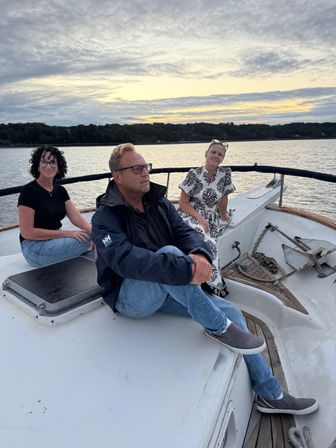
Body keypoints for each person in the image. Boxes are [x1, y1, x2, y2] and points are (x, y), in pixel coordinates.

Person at [92, 143, 318, 415]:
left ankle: (271, 394)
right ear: (118, 176)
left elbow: (184, 232)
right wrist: (184, 267)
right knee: (170, 254)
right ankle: (217, 325)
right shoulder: (105, 216)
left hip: (166, 285)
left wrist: (199, 255)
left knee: (232, 309)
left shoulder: (157, 201)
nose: (146, 173)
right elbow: (125, 261)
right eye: (138, 168)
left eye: (147, 167)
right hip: (130, 297)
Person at [18, 146, 92, 267]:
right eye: (44, 161)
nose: (48, 166)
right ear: (37, 165)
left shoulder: (60, 190)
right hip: (34, 247)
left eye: (53, 162)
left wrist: (95, 231)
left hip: (54, 240)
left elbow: (76, 218)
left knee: (96, 234)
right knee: (92, 239)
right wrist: (68, 234)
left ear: (58, 167)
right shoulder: (29, 191)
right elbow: (27, 232)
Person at [178, 139, 235, 297]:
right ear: (206, 154)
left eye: (220, 154)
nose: (216, 156)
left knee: (211, 241)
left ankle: (206, 280)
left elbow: (223, 199)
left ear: (223, 158)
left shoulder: (225, 174)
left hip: (212, 217)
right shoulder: (193, 174)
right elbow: (183, 203)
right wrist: (200, 219)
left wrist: (224, 217)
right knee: (206, 242)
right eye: (213, 152)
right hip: (191, 213)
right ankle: (213, 283)